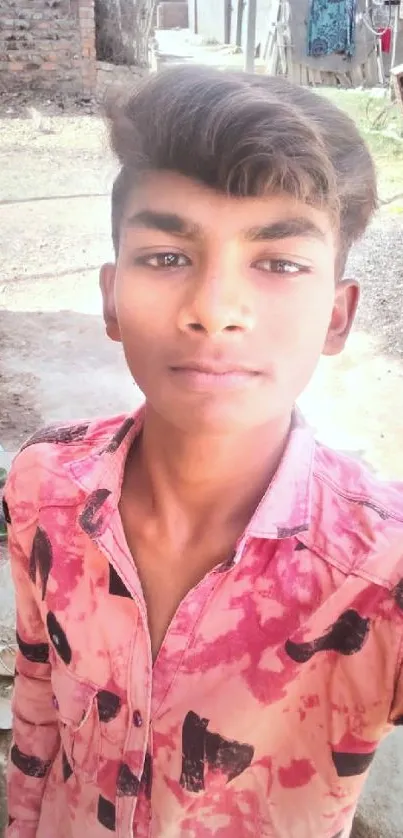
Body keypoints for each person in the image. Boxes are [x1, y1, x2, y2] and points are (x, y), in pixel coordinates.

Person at [3, 65, 403, 838]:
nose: (214, 311)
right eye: (165, 256)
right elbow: (38, 704)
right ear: (111, 297)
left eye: (278, 263)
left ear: (337, 318)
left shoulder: (378, 574)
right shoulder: (43, 487)